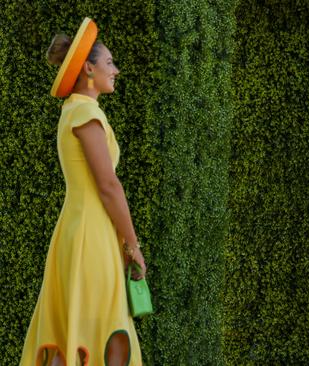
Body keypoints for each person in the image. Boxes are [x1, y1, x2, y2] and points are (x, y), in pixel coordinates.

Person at [20, 18, 146, 366]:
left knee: (75, 332)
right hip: (90, 235)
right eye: (109, 63)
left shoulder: (74, 110)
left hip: (81, 232)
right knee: (106, 332)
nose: (116, 70)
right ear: (88, 68)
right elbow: (108, 186)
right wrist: (132, 244)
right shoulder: (86, 112)